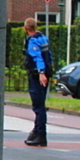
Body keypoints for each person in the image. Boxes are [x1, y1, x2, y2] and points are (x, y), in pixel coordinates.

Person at [23, 17, 52, 147]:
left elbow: (37, 57)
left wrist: (41, 73)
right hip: (46, 72)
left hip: (37, 75)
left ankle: (40, 134)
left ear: (26, 28)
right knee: (40, 104)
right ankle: (36, 131)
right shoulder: (43, 38)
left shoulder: (33, 41)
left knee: (38, 106)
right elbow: (48, 55)